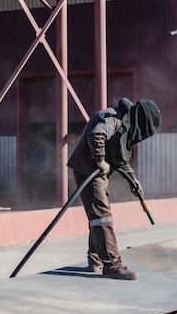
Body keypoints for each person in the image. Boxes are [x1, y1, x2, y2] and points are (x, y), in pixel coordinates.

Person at [67, 97, 161, 280]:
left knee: (98, 217)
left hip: (97, 173)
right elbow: (96, 135)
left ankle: (95, 261)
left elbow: (120, 158)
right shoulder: (113, 118)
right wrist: (101, 161)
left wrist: (134, 180)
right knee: (102, 218)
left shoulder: (124, 125)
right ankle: (112, 266)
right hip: (89, 171)